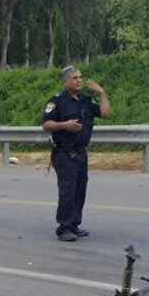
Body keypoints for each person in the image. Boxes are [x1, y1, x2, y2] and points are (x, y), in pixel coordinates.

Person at [42, 65, 111, 241]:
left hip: (81, 152)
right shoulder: (56, 101)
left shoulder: (85, 101)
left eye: (80, 77)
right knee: (68, 190)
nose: (79, 80)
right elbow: (47, 125)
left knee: (80, 189)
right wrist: (65, 125)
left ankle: (74, 224)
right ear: (65, 81)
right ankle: (64, 227)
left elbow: (105, 113)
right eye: (74, 78)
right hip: (64, 153)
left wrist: (102, 93)